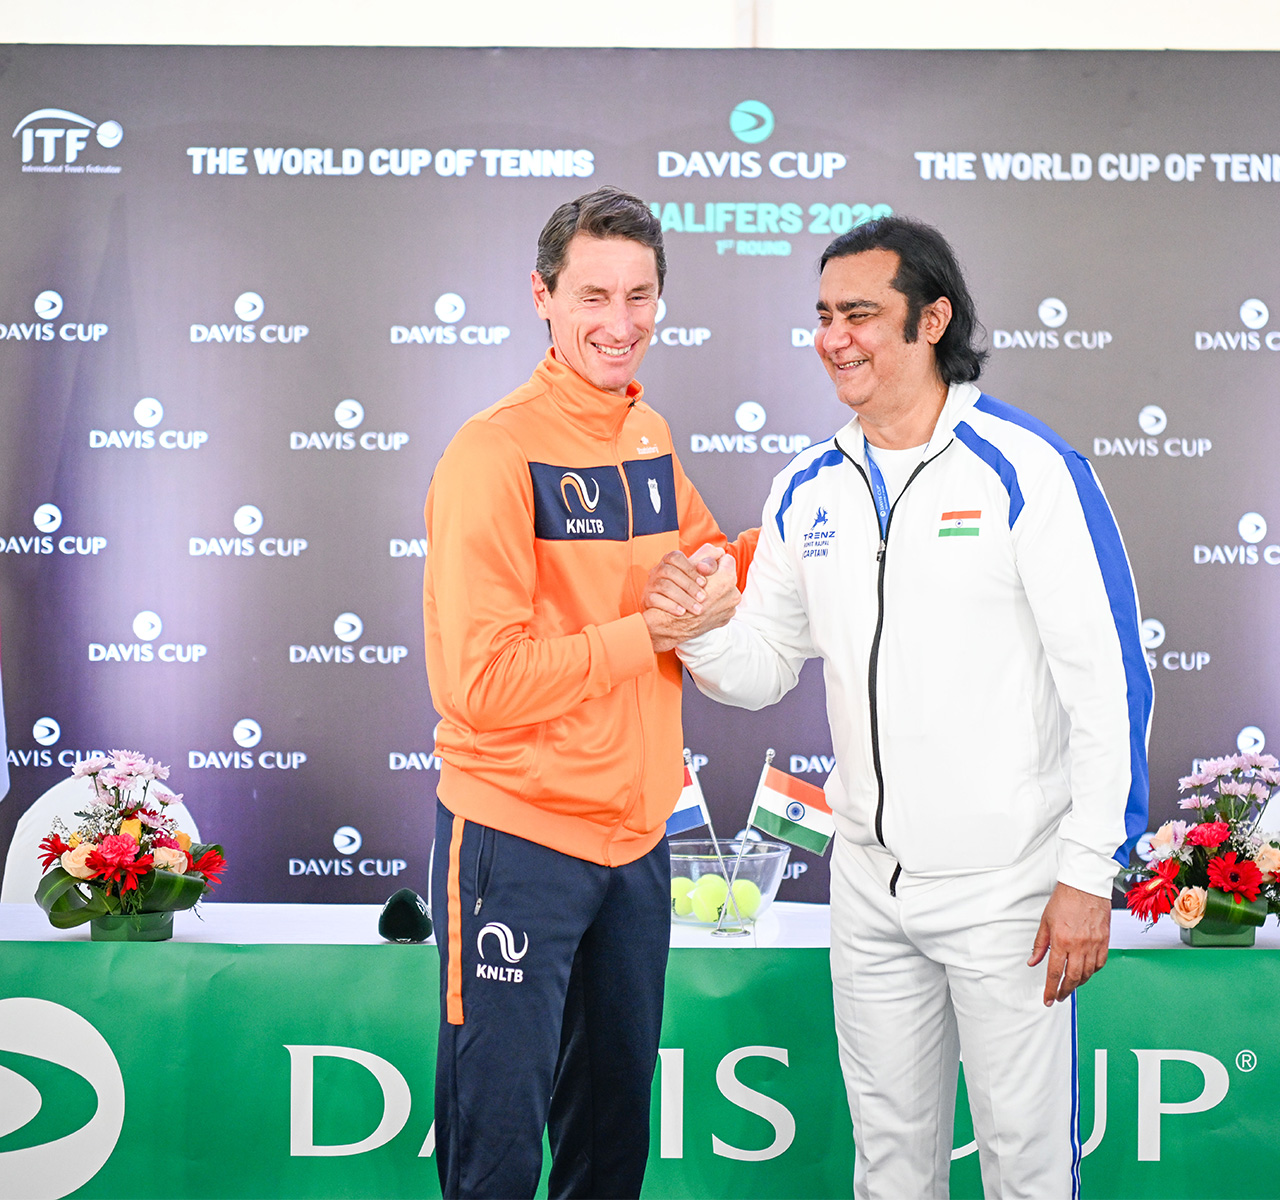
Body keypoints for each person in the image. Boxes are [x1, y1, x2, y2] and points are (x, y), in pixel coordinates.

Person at [658, 216, 1151, 1198]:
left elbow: (1108, 684)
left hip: (1009, 891)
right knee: (888, 1170)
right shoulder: (807, 485)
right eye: (823, 317)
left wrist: (1087, 872)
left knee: (1026, 1168)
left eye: (860, 315)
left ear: (932, 320)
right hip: (869, 888)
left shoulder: (1026, 469)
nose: (834, 338)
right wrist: (696, 625)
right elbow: (758, 668)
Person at [422, 186, 753, 1200]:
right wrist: (642, 631)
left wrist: (739, 567)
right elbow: (478, 685)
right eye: (594, 295)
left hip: (636, 843)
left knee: (613, 1146)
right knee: (499, 1148)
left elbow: (714, 557)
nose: (620, 323)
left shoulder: (647, 432)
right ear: (543, 296)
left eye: (641, 295)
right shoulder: (494, 451)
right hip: (517, 842)